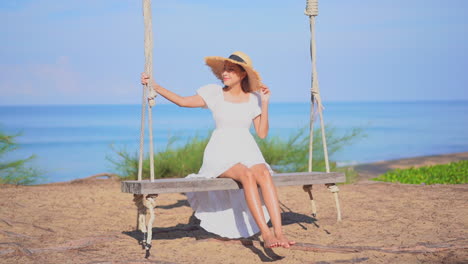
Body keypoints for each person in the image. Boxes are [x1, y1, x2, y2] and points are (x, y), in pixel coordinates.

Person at [141, 51, 295, 249]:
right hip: (220, 152)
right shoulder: (214, 93)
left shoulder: (254, 98)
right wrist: (154, 86)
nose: (225, 74)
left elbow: (262, 133)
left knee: (264, 173)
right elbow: (182, 101)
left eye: (231, 70)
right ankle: (266, 234)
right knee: (247, 175)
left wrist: (265, 103)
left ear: (243, 74)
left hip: (248, 149)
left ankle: (279, 232)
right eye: (225, 70)